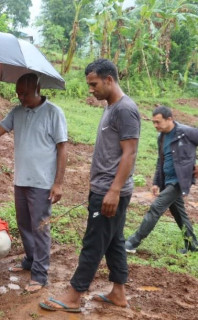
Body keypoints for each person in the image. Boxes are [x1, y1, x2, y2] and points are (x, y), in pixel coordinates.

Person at [40, 58, 140, 313]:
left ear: (109, 79)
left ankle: (73, 296)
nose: (91, 89)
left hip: (109, 191)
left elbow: (130, 153)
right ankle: (118, 292)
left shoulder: (125, 109)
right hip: (105, 188)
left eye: (94, 84)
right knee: (114, 240)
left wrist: (114, 191)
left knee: (93, 242)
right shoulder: (111, 107)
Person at [0, 73, 68, 292]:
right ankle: (30, 261)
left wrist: (58, 183)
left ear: (38, 89)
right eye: (18, 94)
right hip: (21, 180)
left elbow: (63, 148)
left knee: (40, 228)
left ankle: (40, 274)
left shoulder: (54, 113)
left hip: (43, 182)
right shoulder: (17, 111)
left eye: (25, 94)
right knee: (24, 224)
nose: (21, 98)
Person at [126, 106, 198, 254]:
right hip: (167, 181)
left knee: (156, 208)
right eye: (153, 122)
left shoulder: (187, 132)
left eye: (158, 122)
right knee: (179, 214)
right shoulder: (162, 137)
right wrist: (156, 182)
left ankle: (133, 242)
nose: (155, 126)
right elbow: (161, 161)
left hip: (179, 180)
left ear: (169, 119)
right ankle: (193, 247)